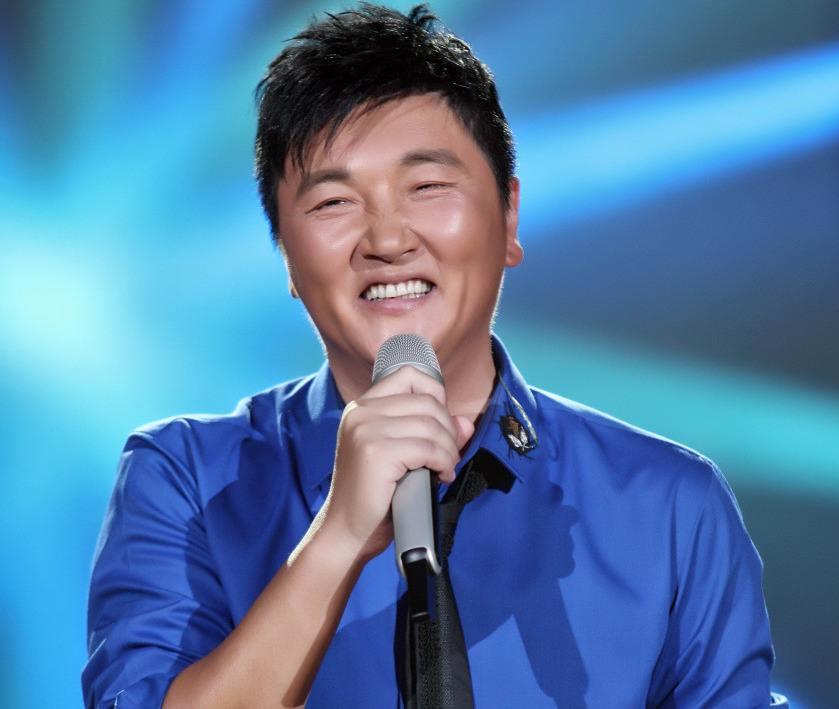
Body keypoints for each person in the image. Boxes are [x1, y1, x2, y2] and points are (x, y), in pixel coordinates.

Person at [83, 4, 775, 707]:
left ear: (509, 215)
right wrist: (339, 536)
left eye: (427, 187)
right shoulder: (187, 480)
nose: (387, 240)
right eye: (333, 203)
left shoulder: (668, 505)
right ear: (285, 254)